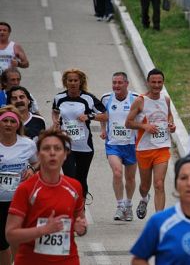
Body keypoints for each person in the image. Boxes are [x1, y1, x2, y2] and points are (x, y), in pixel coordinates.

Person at [6, 129, 87, 265]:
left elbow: (81, 222)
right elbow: (11, 235)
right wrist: (43, 230)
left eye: (57, 148)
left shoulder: (74, 187)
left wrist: (81, 228)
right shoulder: (26, 189)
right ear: (38, 154)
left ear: (65, 154)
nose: (52, 153)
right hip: (31, 260)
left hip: (68, 260)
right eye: (46, 148)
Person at [125, 68, 176, 219]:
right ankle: (144, 198)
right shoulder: (140, 101)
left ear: (163, 83)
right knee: (145, 186)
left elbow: (169, 116)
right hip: (144, 149)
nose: (156, 85)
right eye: (153, 82)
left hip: (162, 147)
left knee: (159, 184)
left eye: (159, 82)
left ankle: (159, 221)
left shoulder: (165, 99)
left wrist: (171, 125)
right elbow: (128, 123)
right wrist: (144, 126)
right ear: (148, 83)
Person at [52, 68, 106, 199]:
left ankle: (81, 208)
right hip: (66, 146)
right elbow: (55, 111)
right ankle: (70, 207)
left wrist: (89, 117)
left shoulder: (88, 98)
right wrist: (56, 122)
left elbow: (105, 115)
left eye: (76, 80)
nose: (73, 83)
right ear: (65, 82)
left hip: (84, 146)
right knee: (69, 178)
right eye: (70, 80)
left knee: (81, 178)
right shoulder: (59, 98)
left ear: (80, 82)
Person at [0, 105, 38, 265]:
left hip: (19, 201)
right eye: (5, 121)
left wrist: (31, 168)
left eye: (12, 121)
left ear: (18, 124)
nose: (8, 124)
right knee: (1, 244)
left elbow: (37, 164)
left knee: (17, 239)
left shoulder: (27, 144)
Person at [100, 72, 138, 221]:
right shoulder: (106, 98)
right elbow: (102, 114)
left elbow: (143, 116)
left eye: (119, 83)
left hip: (131, 145)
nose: (116, 85)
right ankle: (119, 206)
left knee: (130, 178)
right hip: (113, 144)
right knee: (117, 173)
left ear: (126, 84)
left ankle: (128, 206)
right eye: (114, 82)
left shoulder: (135, 98)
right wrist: (103, 129)